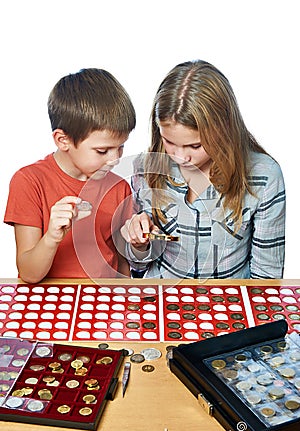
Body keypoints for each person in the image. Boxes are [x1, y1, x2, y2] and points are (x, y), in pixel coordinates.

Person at [121, 60, 285, 279]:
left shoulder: (264, 176)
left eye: (195, 145)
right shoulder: (145, 168)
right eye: (169, 141)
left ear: (223, 130)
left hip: (229, 307)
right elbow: (139, 269)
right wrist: (139, 245)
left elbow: (266, 278)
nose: (180, 157)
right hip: (164, 303)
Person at [4, 68, 136, 283]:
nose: (114, 159)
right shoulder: (29, 182)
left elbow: (122, 263)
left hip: (106, 301)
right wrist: (52, 237)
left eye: (120, 147)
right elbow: (28, 273)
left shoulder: (119, 187)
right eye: (102, 151)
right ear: (62, 140)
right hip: (48, 304)